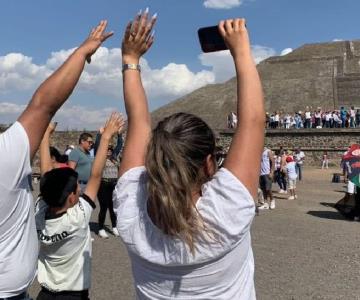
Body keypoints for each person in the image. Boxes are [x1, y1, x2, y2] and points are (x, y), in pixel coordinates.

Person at [113, 12, 264, 299]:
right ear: (209, 164)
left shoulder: (132, 212)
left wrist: (130, 59)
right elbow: (253, 121)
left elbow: (138, 122)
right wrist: (241, 50)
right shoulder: (226, 212)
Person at [0, 21, 113, 300]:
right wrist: (83, 51)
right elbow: (43, 104)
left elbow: (48, 171)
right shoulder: (74, 217)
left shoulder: (41, 216)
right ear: (73, 198)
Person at [35, 113, 124, 300]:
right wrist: (106, 136)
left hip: (44, 294)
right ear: (71, 198)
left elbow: (46, 176)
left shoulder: (40, 212)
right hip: (74, 295)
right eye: (77, 189)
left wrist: (44, 137)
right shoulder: (78, 217)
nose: (79, 190)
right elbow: (97, 174)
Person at [93, 127, 124, 238]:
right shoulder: (100, 158)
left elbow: (119, 146)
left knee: (113, 207)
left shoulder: (114, 157)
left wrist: (119, 135)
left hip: (113, 184)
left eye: (110, 150)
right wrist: (99, 135)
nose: (109, 151)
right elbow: (97, 148)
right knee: (104, 207)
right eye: (108, 149)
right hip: (103, 185)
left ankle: (114, 227)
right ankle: (101, 228)